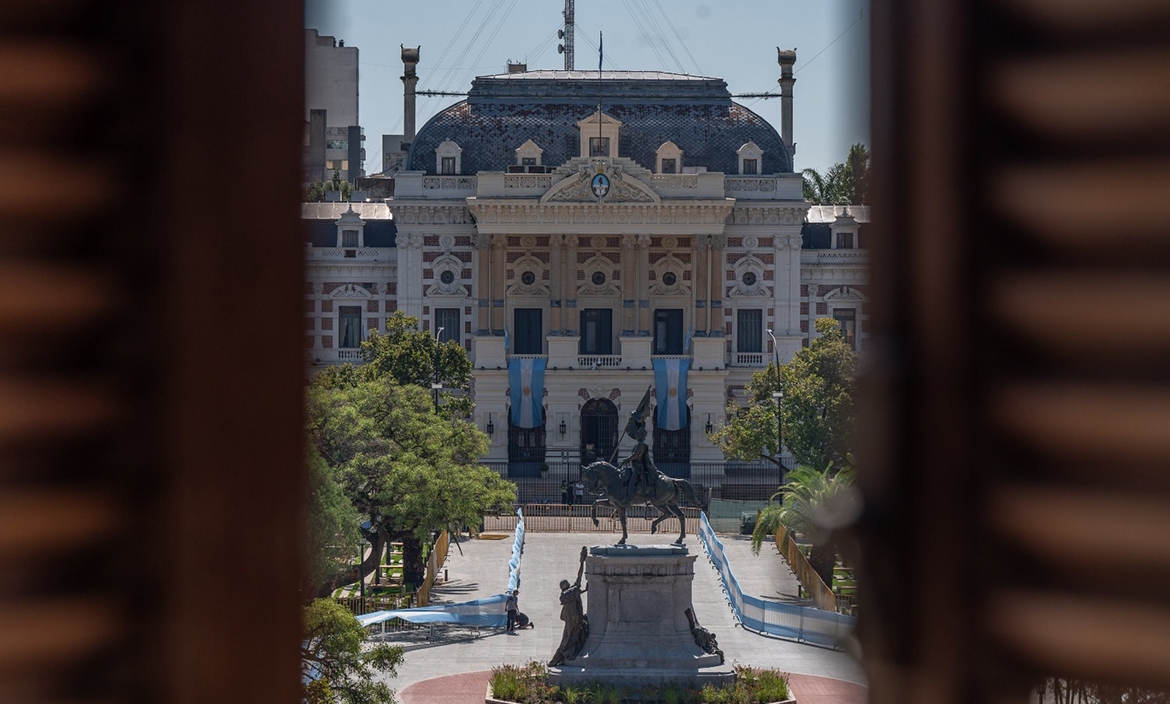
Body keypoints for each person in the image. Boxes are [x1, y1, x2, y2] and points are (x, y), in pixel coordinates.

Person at [549, 547, 589, 666]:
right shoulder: (570, 593)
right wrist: (582, 561)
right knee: (568, 638)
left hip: (573, 618)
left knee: (569, 637)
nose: (567, 581)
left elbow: (576, 589)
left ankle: (558, 657)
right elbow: (579, 577)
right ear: (564, 586)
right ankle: (558, 657)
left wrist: (582, 561)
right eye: (565, 582)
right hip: (574, 619)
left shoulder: (566, 595)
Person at [618, 427, 659, 504]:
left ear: (641, 435)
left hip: (638, 468)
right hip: (635, 466)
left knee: (632, 483)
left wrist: (626, 459)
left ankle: (629, 499)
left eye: (638, 434)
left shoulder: (640, 445)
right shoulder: (641, 444)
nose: (636, 435)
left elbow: (635, 455)